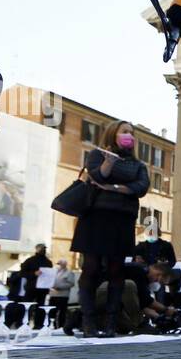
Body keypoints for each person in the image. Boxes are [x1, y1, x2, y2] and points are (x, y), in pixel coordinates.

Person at [71, 121, 151, 337]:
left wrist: (113, 187)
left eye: (132, 133)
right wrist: (109, 163)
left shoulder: (138, 164)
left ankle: (111, 322)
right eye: (125, 132)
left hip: (122, 219)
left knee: (117, 270)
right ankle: (88, 321)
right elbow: (96, 177)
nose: (129, 136)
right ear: (113, 134)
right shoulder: (97, 155)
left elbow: (141, 187)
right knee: (91, 268)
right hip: (95, 217)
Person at [19, 243, 52, 307]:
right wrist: (34, 273)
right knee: (27, 305)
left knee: (40, 307)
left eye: (44, 249)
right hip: (31, 287)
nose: (43, 250)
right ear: (37, 249)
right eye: (41, 248)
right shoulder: (30, 260)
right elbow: (22, 273)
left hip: (43, 289)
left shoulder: (48, 262)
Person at [49, 260, 76, 328]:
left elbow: (71, 283)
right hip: (53, 294)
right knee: (52, 311)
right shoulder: (55, 272)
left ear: (65, 264)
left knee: (62, 312)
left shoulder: (69, 272)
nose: (60, 265)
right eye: (59, 264)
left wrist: (60, 287)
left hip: (63, 295)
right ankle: (52, 325)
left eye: (61, 264)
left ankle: (61, 326)